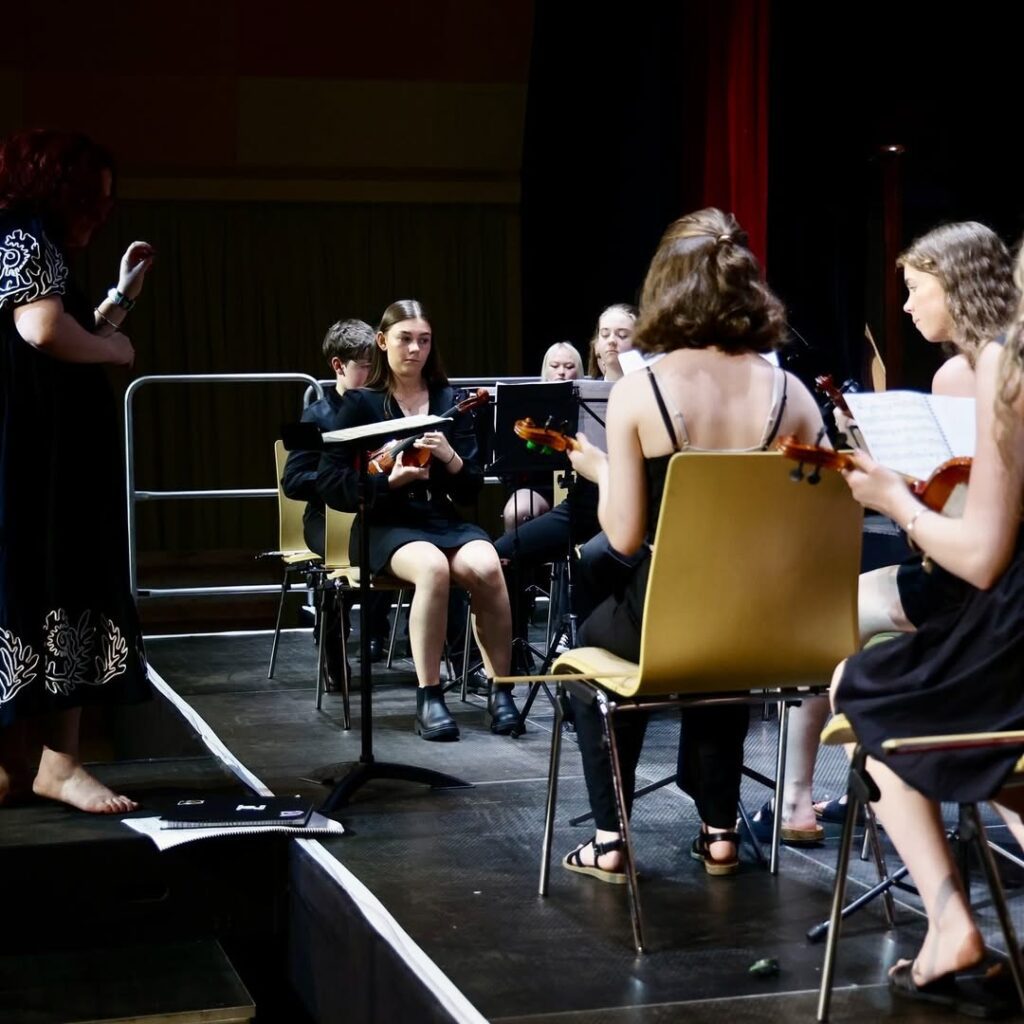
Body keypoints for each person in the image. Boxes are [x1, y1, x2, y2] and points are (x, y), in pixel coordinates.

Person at [558, 208, 826, 880]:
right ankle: (719, 834)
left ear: (666, 286)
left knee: (587, 658)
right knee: (718, 661)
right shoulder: (793, 394)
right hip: (760, 626)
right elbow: (810, 524)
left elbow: (621, 537)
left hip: (666, 617)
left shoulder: (638, 392)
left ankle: (611, 840)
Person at [774, 221, 1017, 840]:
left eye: (915, 288)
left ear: (956, 287)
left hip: (983, 588)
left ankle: (799, 797)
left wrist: (892, 494)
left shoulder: (981, 369)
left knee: (830, 621)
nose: (906, 305)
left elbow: (972, 531)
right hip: (986, 575)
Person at [830, 238, 1024, 1011]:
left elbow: (980, 557)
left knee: (864, 681)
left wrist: (894, 500)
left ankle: (949, 926)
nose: (906, 308)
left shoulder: (1005, 367)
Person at [0, 130, 153, 813]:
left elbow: (56, 330)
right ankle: (56, 764)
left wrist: (116, 302)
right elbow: (41, 333)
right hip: (42, 455)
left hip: (33, 448)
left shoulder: (29, 240)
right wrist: (117, 350)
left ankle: (19, 765)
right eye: (93, 200)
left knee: (25, 586)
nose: (100, 214)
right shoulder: (27, 237)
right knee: (62, 577)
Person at [316, 299, 519, 739]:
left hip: (439, 518)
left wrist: (451, 458)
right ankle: (430, 698)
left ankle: (501, 690)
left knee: (486, 565)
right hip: (383, 523)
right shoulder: (359, 405)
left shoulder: (449, 401)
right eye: (405, 339)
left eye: (423, 340)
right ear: (383, 341)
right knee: (431, 567)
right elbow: (331, 484)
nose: (414, 349)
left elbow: (468, 492)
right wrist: (388, 482)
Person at [282, 320, 385, 689]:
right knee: (340, 559)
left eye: (378, 365)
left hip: (373, 514)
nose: (375, 375)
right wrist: (340, 482)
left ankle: (458, 659)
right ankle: (334, 658)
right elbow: (292, 482)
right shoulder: (314, 416)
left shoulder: (384, 409)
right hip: (325, 518)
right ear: (339, 367)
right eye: (366, 367)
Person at [501, 341, 584, 532]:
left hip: (581, 487)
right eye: (554, 366)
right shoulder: (527, 407)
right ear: (545, 371)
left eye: (569, 366)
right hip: (538, 486)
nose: (561, 372)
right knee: (517, 512)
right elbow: (511, 460)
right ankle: (518, 561)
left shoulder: (589, 402)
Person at [586, 303, 638, 381]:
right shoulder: (585, 391)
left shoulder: (653, 390)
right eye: (605, 335)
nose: (611, 340)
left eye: (622, 335)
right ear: (596, 346)